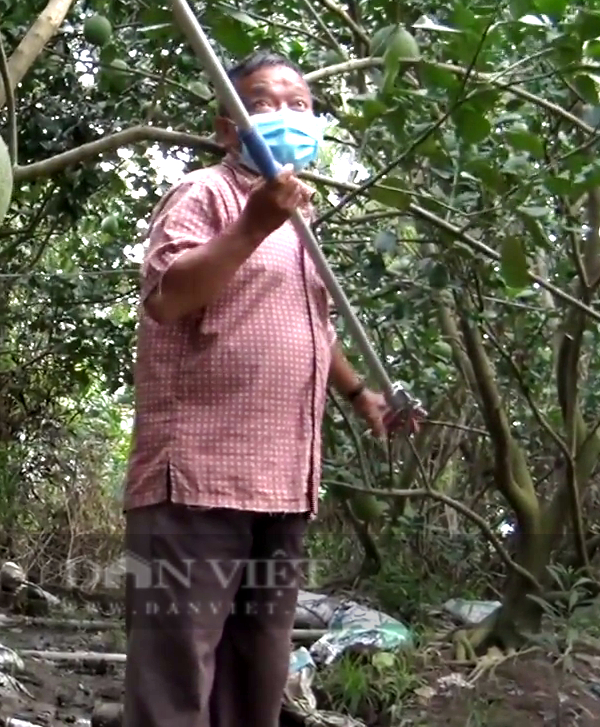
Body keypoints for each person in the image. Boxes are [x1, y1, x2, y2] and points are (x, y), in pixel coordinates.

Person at [119, 48, 419, 727]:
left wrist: (356, 394)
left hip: (281, 485)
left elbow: (309, 325)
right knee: (174, 677)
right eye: (262, 102)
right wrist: (254, 223)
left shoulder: (300, 219)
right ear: (228, 127)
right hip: (195, 482)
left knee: (256, 675)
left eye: (299, 105)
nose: (284, 115)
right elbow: (167, 296)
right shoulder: (206, 195)